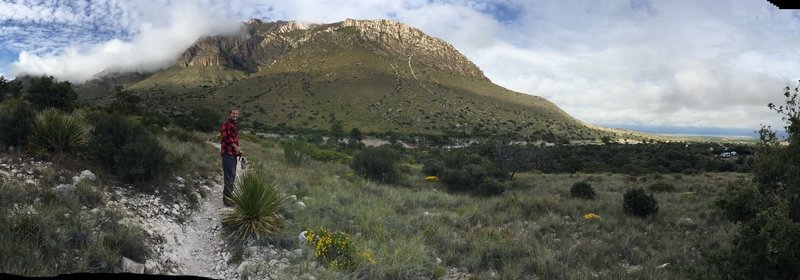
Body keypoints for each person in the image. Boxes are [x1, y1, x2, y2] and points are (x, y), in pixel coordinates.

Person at [220, 108, 242, 206]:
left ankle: (229, 196)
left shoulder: (234, 125)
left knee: (232, 175)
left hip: (232, 154)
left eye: (237, 114)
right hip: (227, 153)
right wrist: (236, 147)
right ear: (230, 114)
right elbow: (226, 138)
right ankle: (227, 198)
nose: (235, 115)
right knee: (229, 175)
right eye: (233, 113)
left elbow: (234, 139)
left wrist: (238, 150)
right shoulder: (226, 124)